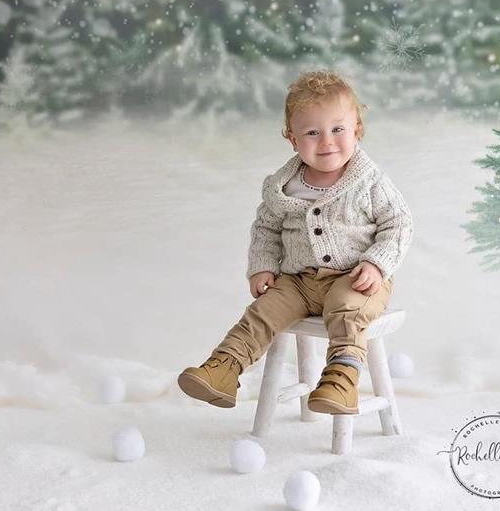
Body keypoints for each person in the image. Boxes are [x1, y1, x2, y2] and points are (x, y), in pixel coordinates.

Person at [177, 70, 414, 414]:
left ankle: (341, 381)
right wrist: (262, 266)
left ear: (357, 131)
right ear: (292, 139)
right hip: (298, 282)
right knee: (261, 313)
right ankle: (223, 369)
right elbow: (266, 229)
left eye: (338, 130)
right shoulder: (283, 186)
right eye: (312, 133)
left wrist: (377, 264)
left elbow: (399, 223)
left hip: (354, 278)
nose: (327, 141)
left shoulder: (370, 181)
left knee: (349, 313)